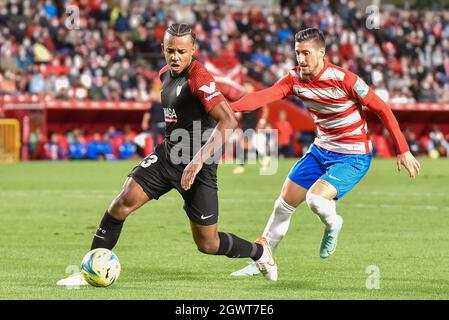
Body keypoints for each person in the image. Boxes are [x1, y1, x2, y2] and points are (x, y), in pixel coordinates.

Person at [57, 24, 276, 286]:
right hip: (168, 156)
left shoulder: (200, 78)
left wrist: (197, 160)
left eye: (181, 51)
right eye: (170, 50)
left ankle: (260, 252)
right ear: (162, 49)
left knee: (208, 243)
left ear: (193, 50)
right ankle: (88, 271)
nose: (175, 56)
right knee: (121, 202)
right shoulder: (164, 75)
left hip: (199, 167)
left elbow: (228, 121)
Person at [229, 28, 421, 277]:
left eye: (306, 53)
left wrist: (402, 149)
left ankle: (333, 224)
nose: (301, 59)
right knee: (283, 204)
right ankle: (263, 261)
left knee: (316, 199)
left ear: (321, 53)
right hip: (321, 151)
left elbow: (382, 109)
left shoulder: (345, 79)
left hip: (353, 156)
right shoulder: (293, 79)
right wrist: (227, 108)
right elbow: (263, 96)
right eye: (297, 53)